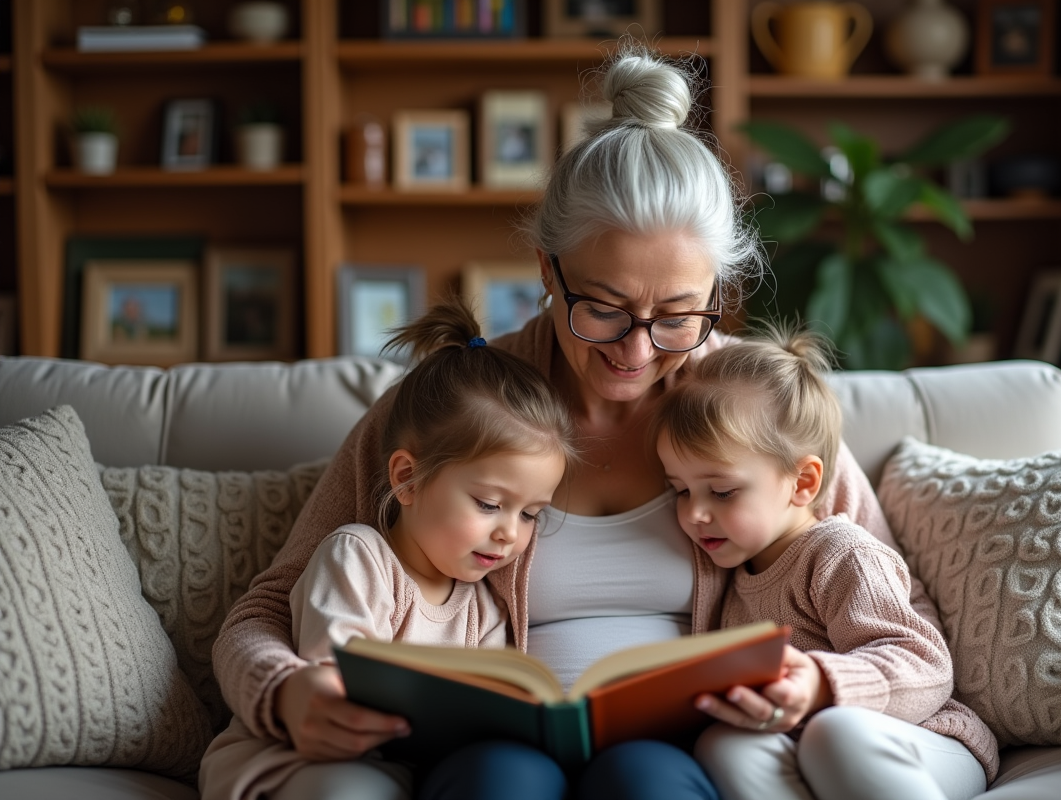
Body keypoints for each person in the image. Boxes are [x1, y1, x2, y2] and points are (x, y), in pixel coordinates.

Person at [212, 43, 946, 800]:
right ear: (545, 269)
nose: (636, 349)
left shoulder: (755, 408)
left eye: (676, 315)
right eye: (603, 307)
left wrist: (820, 682)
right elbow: (266, 610)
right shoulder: (462, 401)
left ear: (716, 292)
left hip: (676, 748)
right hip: (491, 749)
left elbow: (898, 618)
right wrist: (286, 690)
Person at [199, 298, 577, 800]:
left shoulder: (482, 607)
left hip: (396, 768)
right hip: (294, 762)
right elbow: (341, 682)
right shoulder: (356, 558)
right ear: (407, 478)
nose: (511, 533)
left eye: (531, 514)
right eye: (489, 504)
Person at [653, 326, 999, 800]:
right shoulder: (736, 575)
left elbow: (927, 666)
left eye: (722, 491)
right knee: (724, 745)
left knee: (834, 731)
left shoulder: (839, 551)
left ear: (803, 483)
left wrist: (821, 683)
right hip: (815, 757)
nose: (694, 513)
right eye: (680, 490)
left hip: (928, 742)